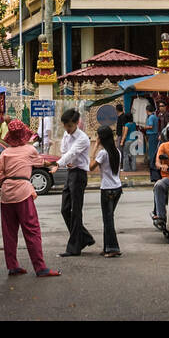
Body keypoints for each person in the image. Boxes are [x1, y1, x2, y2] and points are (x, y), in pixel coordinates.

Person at [0, 120, 60, 277]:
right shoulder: (29, 150)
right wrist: (55, 163)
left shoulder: (5, 153)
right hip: (23, 191)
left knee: (9, 232)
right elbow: (40, 162)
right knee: (32, 229)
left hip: (6, 193)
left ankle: (12, 266)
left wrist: (7, 181)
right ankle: (40, 267)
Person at [57, 109, 95, 257]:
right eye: (65, 126)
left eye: (70, 126)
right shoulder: (67, 134)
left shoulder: (83, 138)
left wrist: (59, 163)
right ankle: (85, 237)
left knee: (76, 211)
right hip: (71, 172)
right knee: (65, 209)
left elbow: (72, 153)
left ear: (76, 123)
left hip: (79, 174)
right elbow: (64, 150)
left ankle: (74, 247)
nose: (67, 129)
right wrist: (65, 161)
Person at [90, 126, 124, 257]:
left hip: (107, 189)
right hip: (117, 188)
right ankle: (107, 247)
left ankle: (113, 248)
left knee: (108, 219)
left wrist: (94, 148)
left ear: (101, 138)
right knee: (108, 218)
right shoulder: (117, 151)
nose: (97, 138)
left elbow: (91, 167)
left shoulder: (103, 153)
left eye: (98, 136)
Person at [145, 104, 161, 182]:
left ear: (147, 110)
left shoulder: (151, 117)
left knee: (152, 152)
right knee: (154, 151)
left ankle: (152, 167)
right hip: (155, 135)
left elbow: (150, 126)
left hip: (151, 135)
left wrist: (144, 127)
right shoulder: (155, 117)